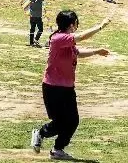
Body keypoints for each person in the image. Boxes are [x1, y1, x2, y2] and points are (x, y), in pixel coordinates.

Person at [30, 10, 111, 160]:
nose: (77, 25)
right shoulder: (59, 38)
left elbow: (77, 53)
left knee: (73, 121)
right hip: (53, 87)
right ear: (72, 24)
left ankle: (57, 149)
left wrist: (96, 52)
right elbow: (81, 37)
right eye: (76, 22)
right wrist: (100, 26)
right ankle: (40, 133)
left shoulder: (67, 40)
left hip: (67, 87)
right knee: (61, 122)